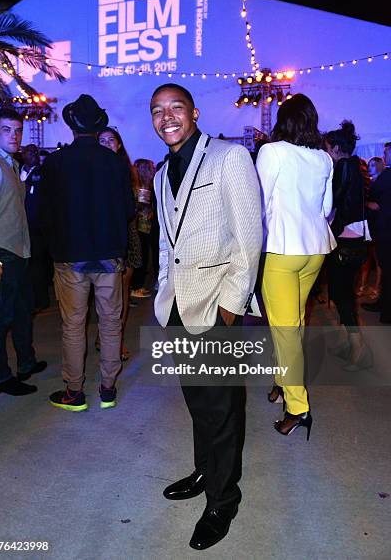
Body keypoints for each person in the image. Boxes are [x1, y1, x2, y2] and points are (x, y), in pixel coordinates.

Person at [150, 83, 262, 550]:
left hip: (217, 305)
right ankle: (205, 470)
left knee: (220, 408)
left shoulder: (228, 159)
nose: (167, 116)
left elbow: (249, 237)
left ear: (194, 112)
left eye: (176, 107)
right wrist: (161, 288)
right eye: (157, 111)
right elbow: (166, 243)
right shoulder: (159, 175)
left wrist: (231, 307)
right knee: (198, 402)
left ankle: (223, 499)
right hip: (177, 304)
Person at [40, 95, 134, 411]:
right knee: (110, 323)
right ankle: (108, 389)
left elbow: (44, 214)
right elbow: (129, 210)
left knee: (73, 324)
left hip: (70, 256)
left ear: (72, 125)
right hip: (109, 256)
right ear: (97, 126)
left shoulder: (55, 163)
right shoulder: (115, 162)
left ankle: (75, 392)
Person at [256, 94, 336, 435]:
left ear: (282, 121)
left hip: (281, 249)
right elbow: (327, 207)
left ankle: (298, 407)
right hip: (315, 248)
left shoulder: (272, 152)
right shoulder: (323, 158)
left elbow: (256, 203)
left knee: (285, 328)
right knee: (293, 324)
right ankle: (280, 381)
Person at [0, 108, 47, 396]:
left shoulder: (10, 163)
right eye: (7, 130)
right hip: (0, 252)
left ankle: (26, 363)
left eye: (18, 130)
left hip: (18, 252)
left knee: (22, 312)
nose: (14, 135)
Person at [325, 121, 372, 370]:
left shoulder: (343, 166)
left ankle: (358, 347)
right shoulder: (357, 166)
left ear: (334, 147)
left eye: (327, 149)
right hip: (355, 239)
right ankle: (349, 343)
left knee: (343, 295)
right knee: (344, 294)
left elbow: (336, 201)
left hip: (346, 241)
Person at [97, 126, 142, 360]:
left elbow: (133, 205)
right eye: (101, 140)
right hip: (100, 238)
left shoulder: (126, 170)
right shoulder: (92, 171)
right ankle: (102, 336)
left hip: (126, 236)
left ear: (119, 144)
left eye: (110, 140)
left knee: (121, 293)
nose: (106, 143)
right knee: (102, 293)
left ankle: (118, 341)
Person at [361, 143, 391, 323]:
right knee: (386, 270)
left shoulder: (387, 176)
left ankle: (387, 311)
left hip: (386, 230)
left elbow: (374, 195)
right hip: (385, 229)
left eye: (386, 152)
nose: (384, 155)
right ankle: (383, 304)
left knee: (387, 270)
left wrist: (367, 203)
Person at [20, 144, 50, 310]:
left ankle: (41, 299)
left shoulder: (42, 173)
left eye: (35, 152)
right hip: (20, 225)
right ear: (23, 154)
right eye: (29, 152)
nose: (33, 155)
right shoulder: (18, 170)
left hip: (37, 226)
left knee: (37, 263)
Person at [356, 155, 384, 298]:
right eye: (369, 165)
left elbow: (377, 206)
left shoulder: (382, 183)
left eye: (373, 165)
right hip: (368, 224)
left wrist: (365, 203)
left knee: (378, 258)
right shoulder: (368, 183)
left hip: (377, 225)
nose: (369, 168)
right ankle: (363, 284)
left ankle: (377, 287)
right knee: (366, 257)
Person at [130, 158, 156, 298]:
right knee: (142, 256)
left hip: (142, 225)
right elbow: (142, 206)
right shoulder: (142, 187)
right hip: (141, 226)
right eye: (151, 167)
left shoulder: (141, 185)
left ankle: (137, 286)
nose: (153, 169)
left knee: (143, 256)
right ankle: (136, 287)